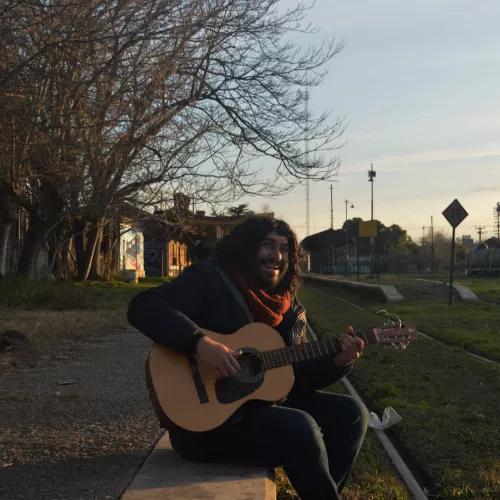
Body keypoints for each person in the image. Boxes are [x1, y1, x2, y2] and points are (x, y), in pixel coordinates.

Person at [127, 216, 368, 500]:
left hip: (257, 411)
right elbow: (144, 306)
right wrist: (200, 344)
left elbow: (300, 378)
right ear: (247, 247)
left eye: (284, 249)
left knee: (351, 414)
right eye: (268, 246)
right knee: (299, 427)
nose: (277, 256)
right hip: (206, 428)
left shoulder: (289, 308)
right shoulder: (210, 279)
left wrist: (338, 362)